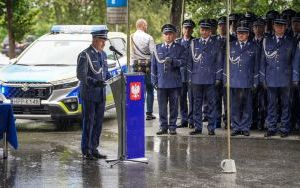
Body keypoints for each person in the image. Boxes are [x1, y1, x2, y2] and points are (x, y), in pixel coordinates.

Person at [77, 28, 111, 160]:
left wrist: (113, 78)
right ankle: (86, 150)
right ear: (95, 40)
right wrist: (96, 82)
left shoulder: (103, 55)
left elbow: (105, 73)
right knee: (89, 122)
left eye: (104, 41)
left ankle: (94, 148)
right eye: (102, 41)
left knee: (98, 123)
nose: (104, 44)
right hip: (89, 94)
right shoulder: (85, 55)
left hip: (101, 94)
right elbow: (81, 76)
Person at [260, 15, 296, 138]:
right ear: (274, 26)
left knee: (286, 104)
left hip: (286, 78)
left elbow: (294, 61)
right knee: (271, 104)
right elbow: (262, 61)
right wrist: (262, 78)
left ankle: (285, 128)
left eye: (282, 26)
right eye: (277, 25)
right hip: (271, 78)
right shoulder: (267, 41)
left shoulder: (291, 41)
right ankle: (272, 127)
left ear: (285, 27)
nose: (280, 28)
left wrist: (294, 78)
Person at [188, 19, 222, 136]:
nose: (204, 32)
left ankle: (211, 127)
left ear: (210, 31)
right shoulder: (194, 43)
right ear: (200, 30)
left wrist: (218, 77)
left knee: (212, 104)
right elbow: (190, 62)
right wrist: (190, 77)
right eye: (202, 30)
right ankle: (198, 127)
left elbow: (219, 61)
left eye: (207, 30)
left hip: (210, 78)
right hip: (196, 78)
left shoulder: (216, 43)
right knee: (196, 103)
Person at [151, 24, 185, 135]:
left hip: (174, 82)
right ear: (163, 35)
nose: (168, 36)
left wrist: (173, 61)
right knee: (162, 107)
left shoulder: (180, 48)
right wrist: (154, 81)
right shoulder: (157, 48)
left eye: (170, 34)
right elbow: (153, 66)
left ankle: (172, 126)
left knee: (174, 107)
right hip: (161, 82)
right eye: (166, 34)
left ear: (174, 35)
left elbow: (183, 62)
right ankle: (163, 126)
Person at [226, 25, 259, 136]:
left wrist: (255, 81)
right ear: (236, 34)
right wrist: (226, 79)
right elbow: (226, 64)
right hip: (234, 80)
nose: (241, 35)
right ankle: (236, 127)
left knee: (247, 105)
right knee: (235, 105)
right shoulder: (230, 46)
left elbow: (256, 65)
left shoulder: (253, 46)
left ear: (248, 35)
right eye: (239, 33)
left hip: (247, 80)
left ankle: (245, 127)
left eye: (243, 33)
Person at [131, 19, 156, 121]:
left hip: (136, 66)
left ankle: (137, 112)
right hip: (147, 66)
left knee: (137, 90)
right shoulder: (148, 37)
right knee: (150, 89)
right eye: (146, 25)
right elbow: (153, 53)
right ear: (143, 25)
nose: (147, 27)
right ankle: (149, 113)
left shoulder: (131, 37)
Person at [175, 19, 195, 129]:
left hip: (192, 75)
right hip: (180, 75)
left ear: (192, 30)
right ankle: (184, 120)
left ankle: (191, 120)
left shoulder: (195, 42)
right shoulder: (177, 42)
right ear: (182, 29)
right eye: (185, 28)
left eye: (189, 28)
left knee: (192, 99)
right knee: (181, 99)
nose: (187, 30)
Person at [252, 18, 267, 130]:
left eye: (260, 26)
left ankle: (262, 123)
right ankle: (253, 122)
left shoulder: (267, 41)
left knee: (263, 102)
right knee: (252, 101)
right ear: (253, 29)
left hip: (264, 76)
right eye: (256, 27)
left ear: (264, 28)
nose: (258, 29)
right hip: (252, 77)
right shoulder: (250, 42)